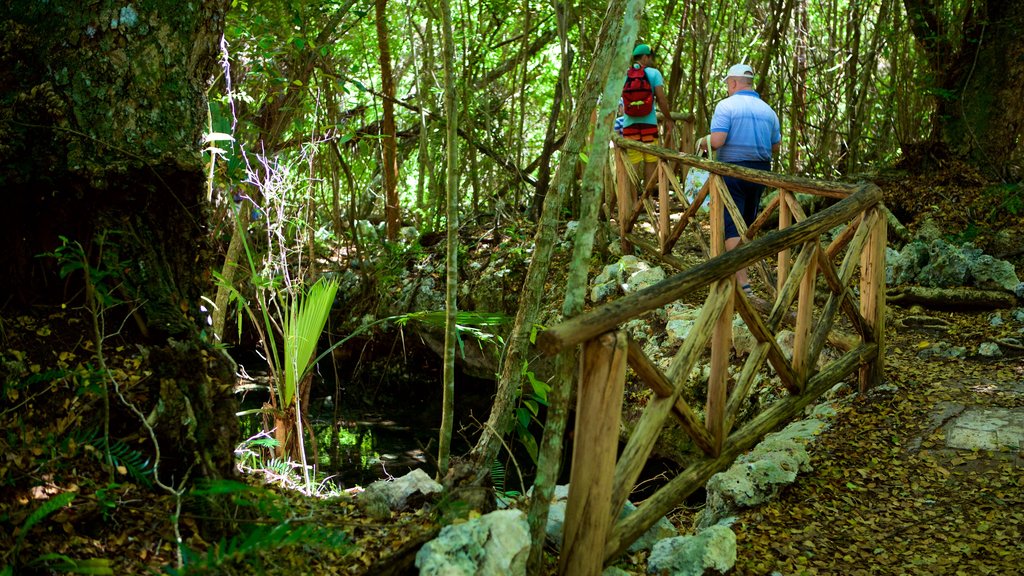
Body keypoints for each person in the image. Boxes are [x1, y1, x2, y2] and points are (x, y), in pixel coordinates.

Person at [702, 63, 781, 297]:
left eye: (728, 83)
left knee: (732, 226)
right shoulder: (768, 111)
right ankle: (738, 274)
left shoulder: (726, 106)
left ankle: (741, 283)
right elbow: (775, 145)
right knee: (746, 225)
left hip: (733, 172)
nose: (727, 88)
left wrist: (701, 142)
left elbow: (717, 141)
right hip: (760, 173)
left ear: (734, 83)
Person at [621, 44, 674, 201]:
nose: (652, 61)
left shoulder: (625, 74)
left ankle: (631, 204)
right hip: (649, 126)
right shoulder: (654, 74)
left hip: (629, 126)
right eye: (650, 58)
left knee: (633, 164)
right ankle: (647, 201)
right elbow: (662, 100)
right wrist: (668, 118)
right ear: (645, 57)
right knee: (651, 161)